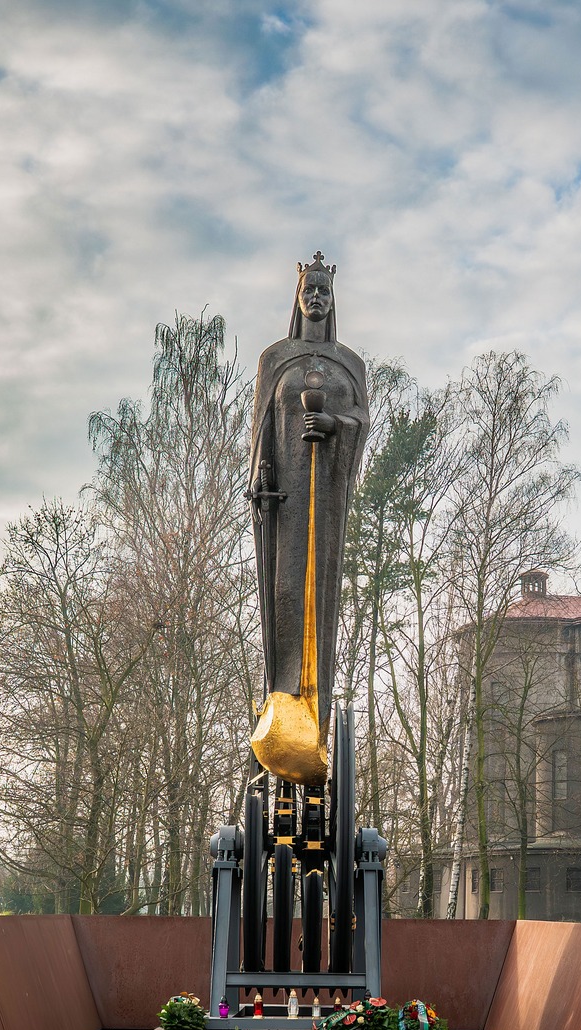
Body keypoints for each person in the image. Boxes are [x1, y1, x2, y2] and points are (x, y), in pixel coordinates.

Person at [245, 253, 369, 786]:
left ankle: (315, 711)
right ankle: (282, 703)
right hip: (286, 503)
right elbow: (260, 429)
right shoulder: (275, 358)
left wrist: (334, 423)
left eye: (323, 290)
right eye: (308, 289)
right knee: (286, 593)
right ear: (297, 298)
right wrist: (259, 480)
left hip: (327, 500)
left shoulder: (350, 364)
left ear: (333, 298)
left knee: (320, 596)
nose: (316, 297)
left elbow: (361, 421)